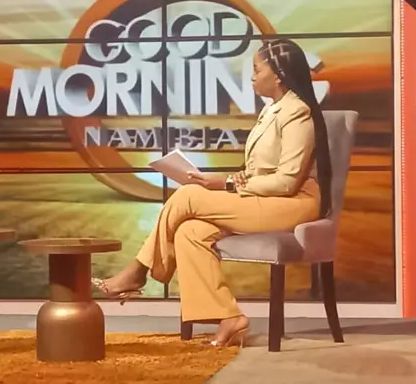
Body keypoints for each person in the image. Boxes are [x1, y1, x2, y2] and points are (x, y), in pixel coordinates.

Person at [92, 39, 332, 348]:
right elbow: (266, 169)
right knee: (190, 232)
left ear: (279, 75)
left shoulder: (297, 111)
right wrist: (244, 175)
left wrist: (229, 183)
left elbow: (287, 181)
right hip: (268, 197)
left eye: (257, 70)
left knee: (188, 196)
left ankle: (137, 272)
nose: (251, 77)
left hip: (294, 204)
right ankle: (228, 317)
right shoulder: (271, 110)